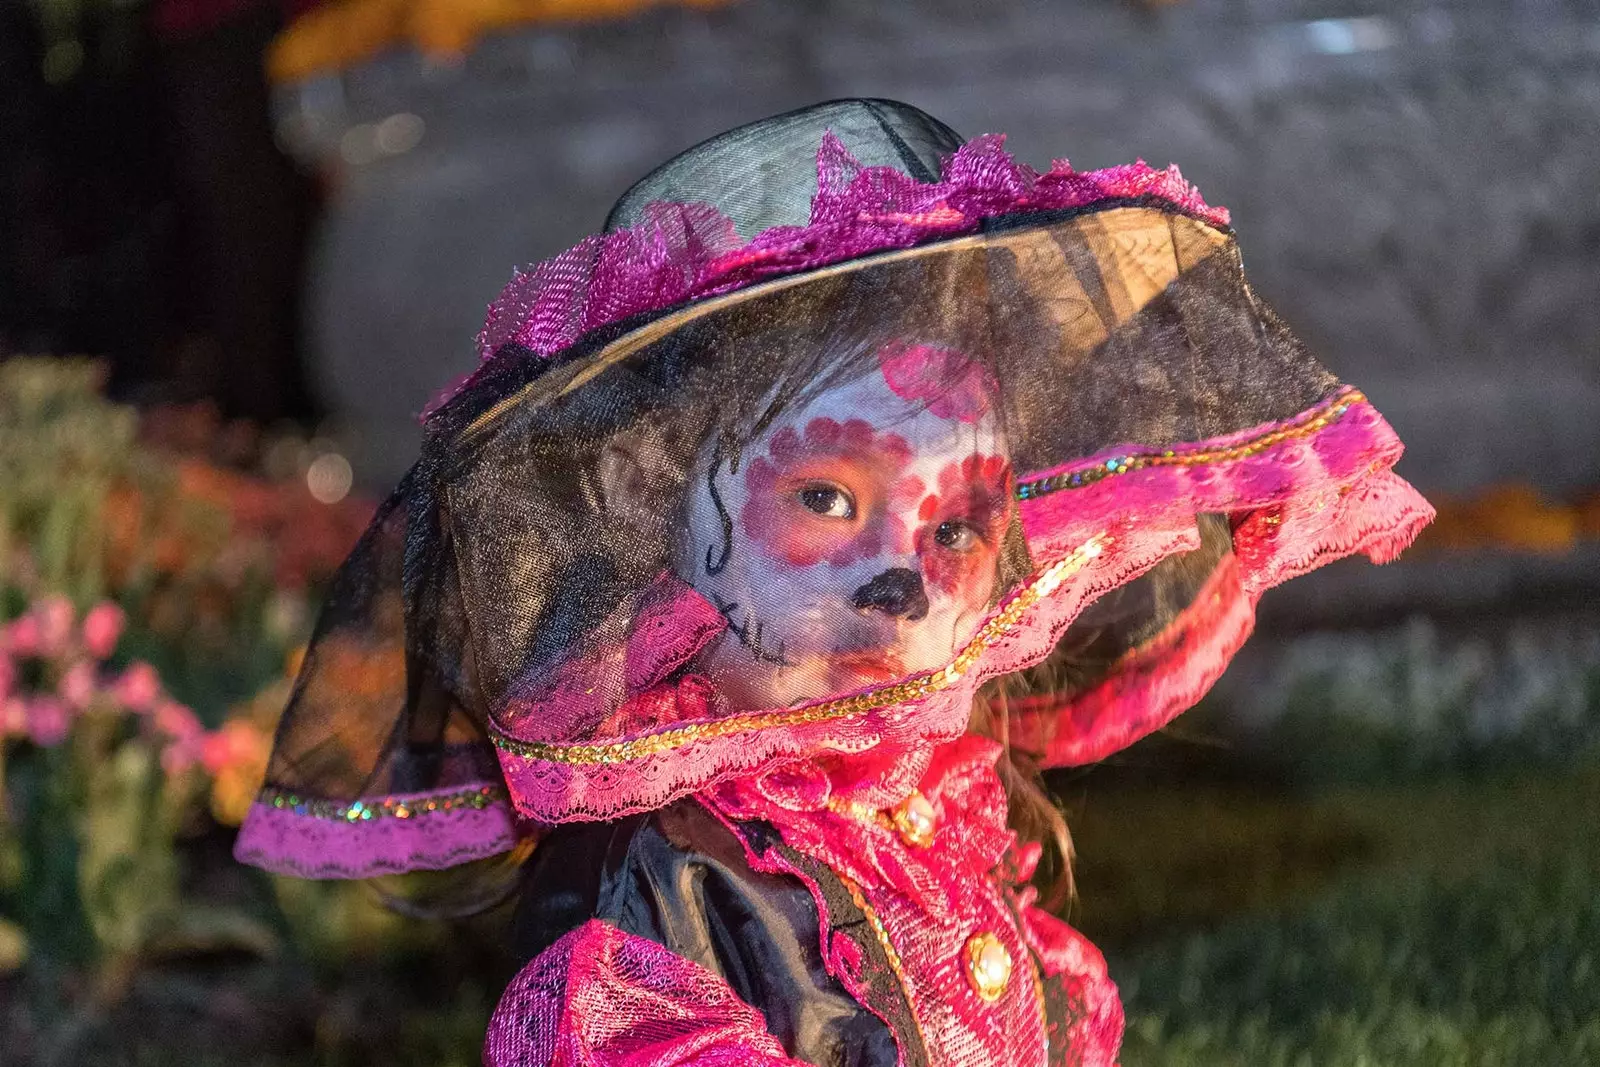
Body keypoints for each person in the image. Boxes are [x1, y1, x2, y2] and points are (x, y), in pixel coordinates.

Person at [235, 100, 1433, 1066]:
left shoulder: (937, 807)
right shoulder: (674, 885)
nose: (901, 582)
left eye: (958, 525)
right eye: (824, 498)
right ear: (672, 524)